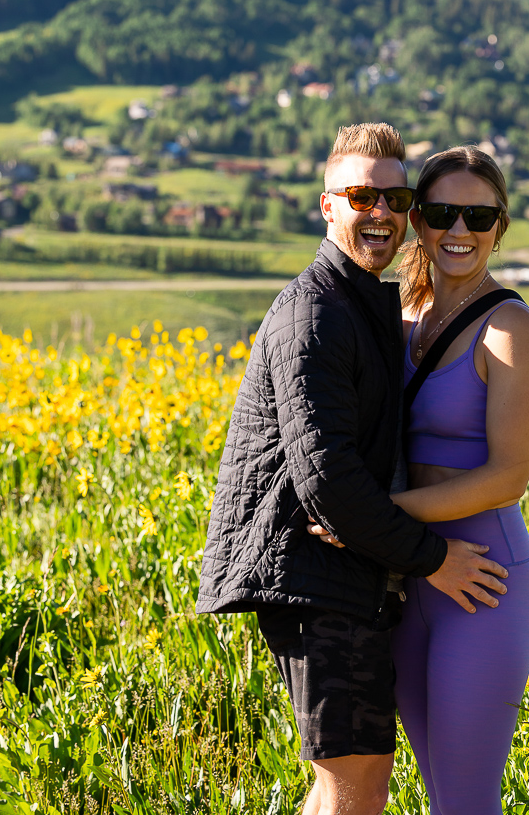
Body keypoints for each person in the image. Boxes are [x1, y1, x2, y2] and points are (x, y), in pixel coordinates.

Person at [196, 125, 509, 815]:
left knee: (345, 780)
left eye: (396, 199)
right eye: (362, 195)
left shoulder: (361, 302)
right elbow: (327, 478)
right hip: (315, 583)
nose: (382, 213)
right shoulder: (317, 312)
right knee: (358, 782)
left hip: (337, 576)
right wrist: (432, 559)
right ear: (328, 204)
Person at [391, 145, 529, 815]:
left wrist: (379, 514)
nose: (459, 230)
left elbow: (507, 478)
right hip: (410, 574)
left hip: (482, 582)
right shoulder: (398, 320)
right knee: (440, 795)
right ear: (418, 223)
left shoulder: (508, 327)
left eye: (477, 215)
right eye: (442, 212)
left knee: (465, 802)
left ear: (499, 226)